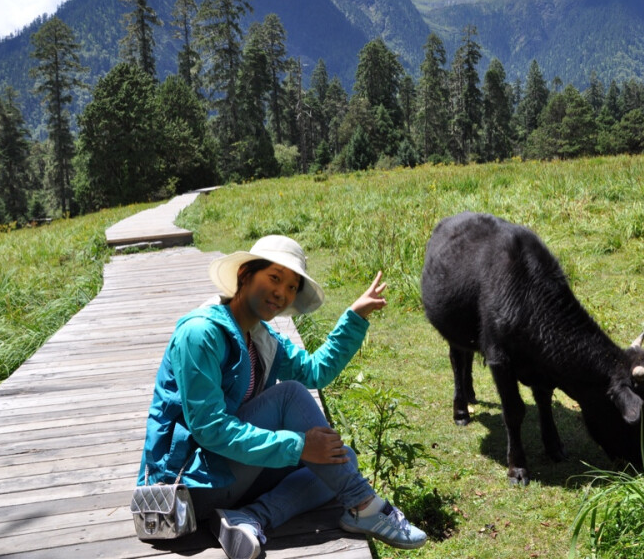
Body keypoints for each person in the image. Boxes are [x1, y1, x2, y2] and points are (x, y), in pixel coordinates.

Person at [137, 235, 427, 559]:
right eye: (275, 278)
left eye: (291, 287)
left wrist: (354, 318)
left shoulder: (261, 337)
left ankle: (251, 517)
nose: (282, 293)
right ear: (245, 274)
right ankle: (364, 504)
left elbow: (316, 372)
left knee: (341, 458)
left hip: (229, 474)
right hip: (188, 487)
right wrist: (299, 446)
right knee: (290, 397)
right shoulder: (201, 333)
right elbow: (208, 428)